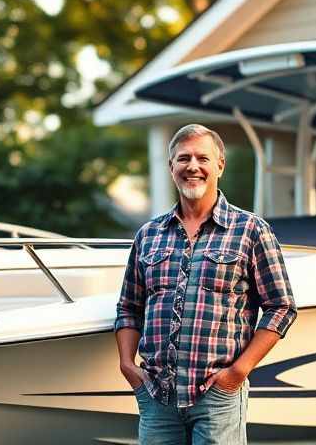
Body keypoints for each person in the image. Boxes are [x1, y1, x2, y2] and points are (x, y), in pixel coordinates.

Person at [115, 124, 297, 444]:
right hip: (157, 397)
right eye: (183, 158)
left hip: (218, 398)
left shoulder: (251, 230)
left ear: (220, 166)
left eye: (203, 158)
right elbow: (129, 306)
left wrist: (238, 373)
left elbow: (281, 306)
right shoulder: (148, 234)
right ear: (171, 168)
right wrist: (128, 367)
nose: (193, 166)